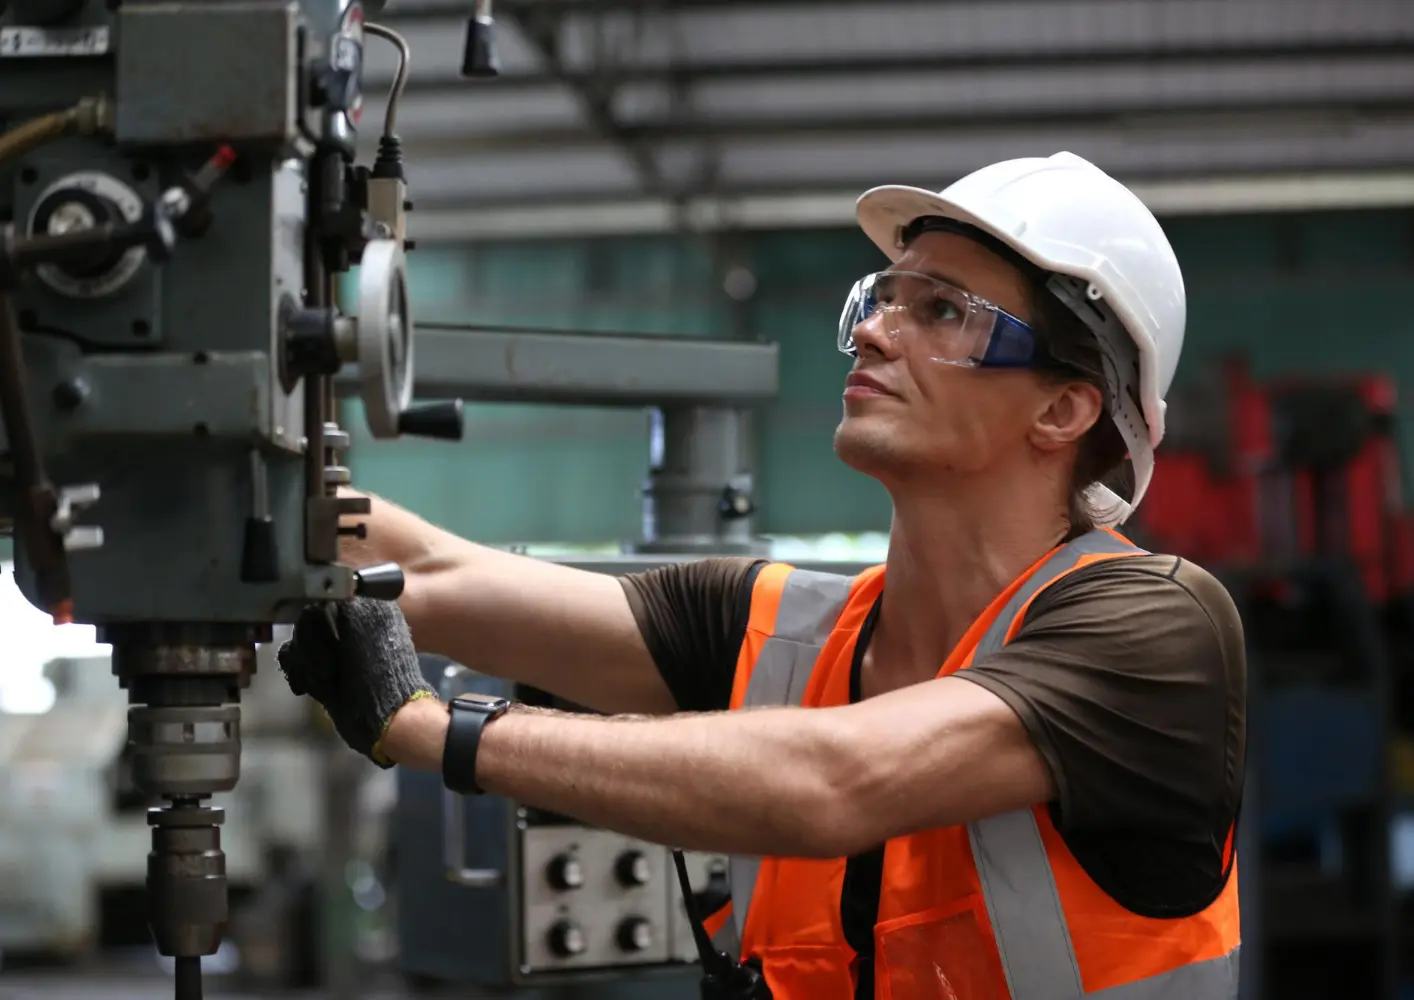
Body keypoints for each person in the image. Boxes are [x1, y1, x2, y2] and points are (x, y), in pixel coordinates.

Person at [278, 150, 1247, 1000]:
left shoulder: (1155, 629)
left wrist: (435, 730)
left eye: (943, 311)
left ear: (1064, 410)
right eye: (883, 299)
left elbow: (834, 781)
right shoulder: (779, 630)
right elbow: (430, 571)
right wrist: (258, 472)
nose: (875, 332)